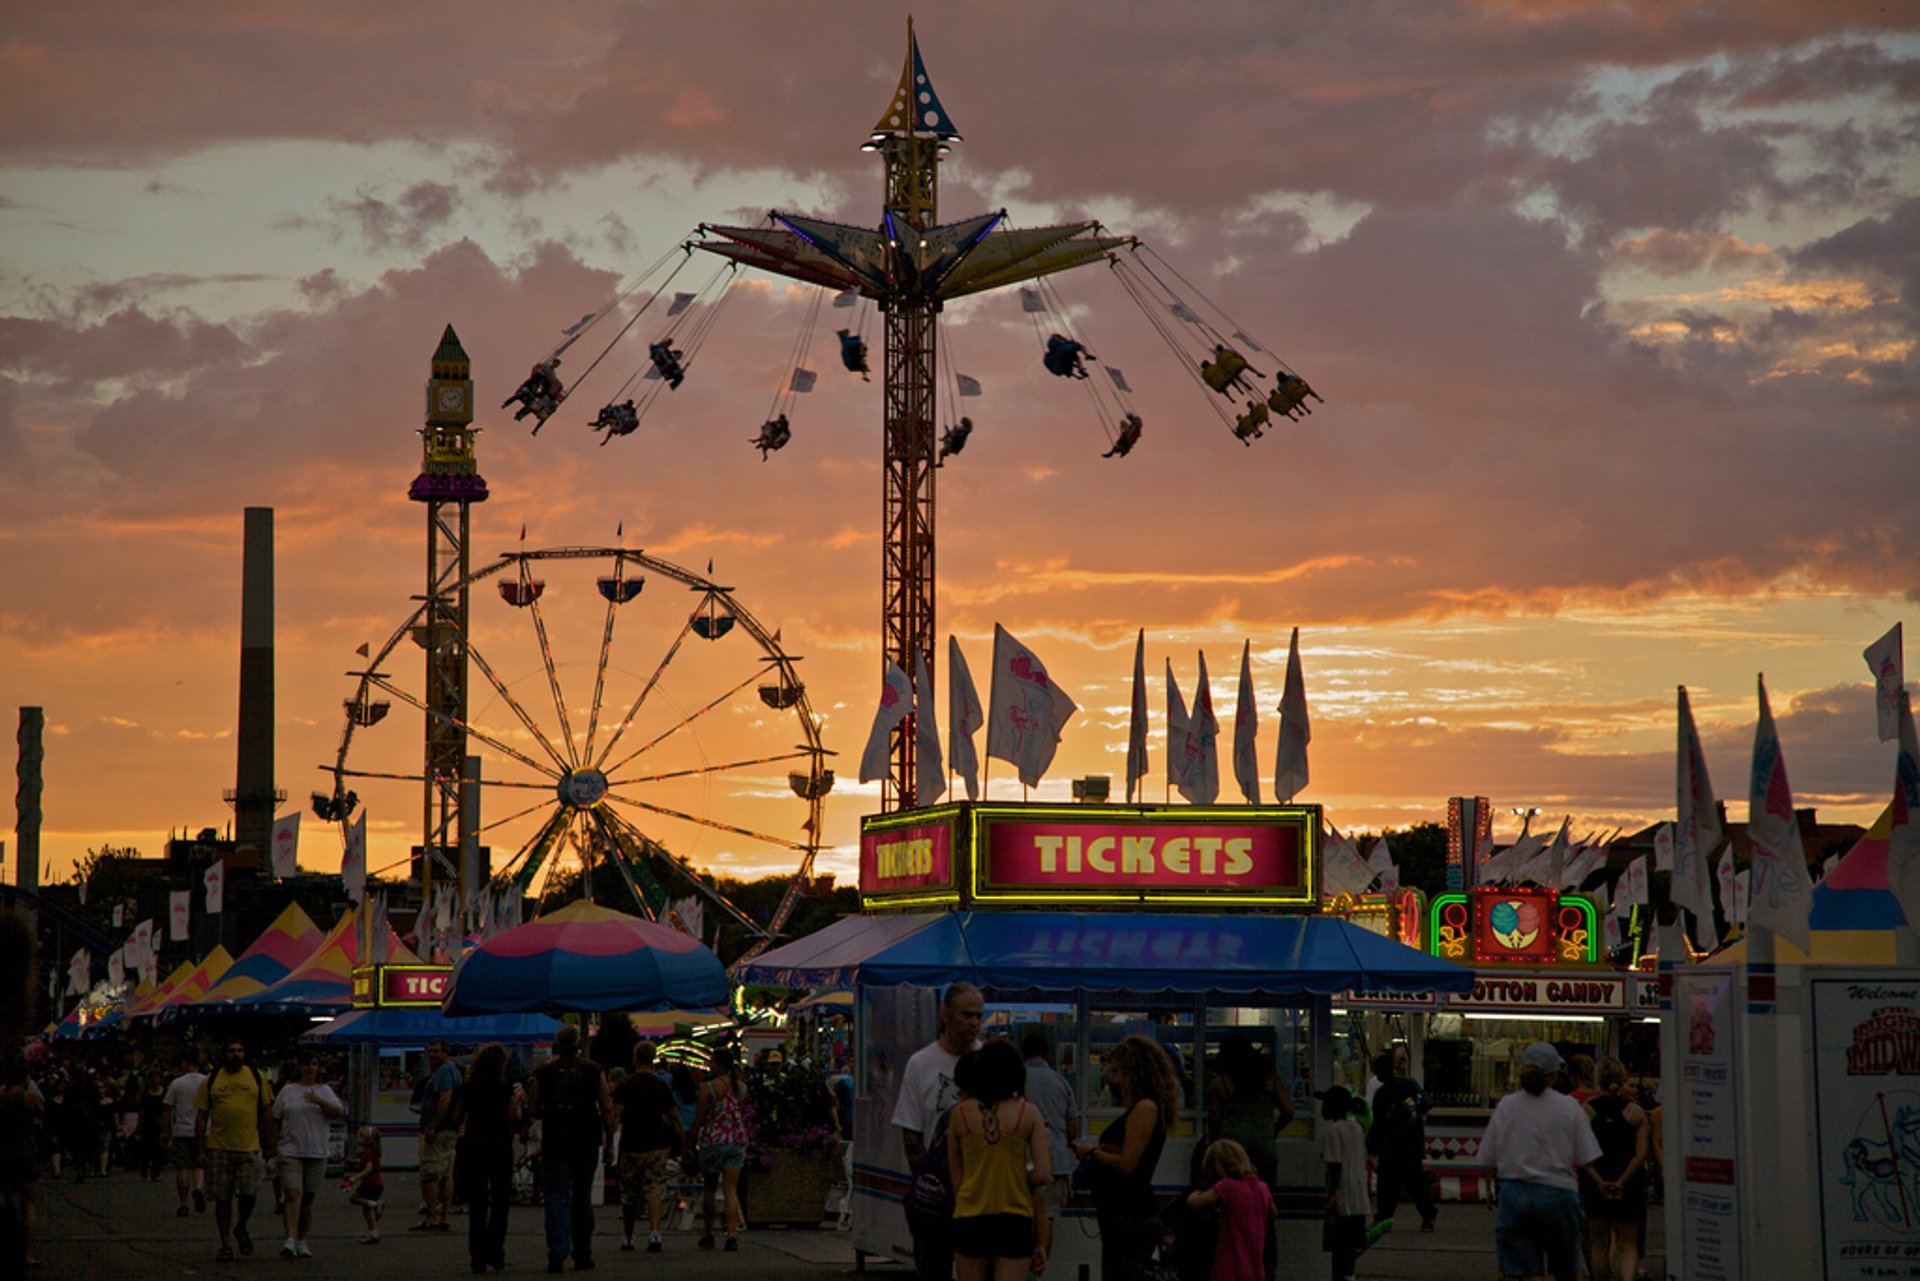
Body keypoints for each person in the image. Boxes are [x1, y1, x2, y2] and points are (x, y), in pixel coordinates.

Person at [1478, 1043, 1601, 1281]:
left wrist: (1490, 1189)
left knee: (1525, 1270)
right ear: (1554, 1075)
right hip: (1558, 1194)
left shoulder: (1507, 1106)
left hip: (1515, 1194)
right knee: (1566, 1268)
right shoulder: (1569, 1108)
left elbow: (1488, 1157)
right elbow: (1587, 1156)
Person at [893, 982, 985, 1281]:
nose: (973, 1022)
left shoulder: (989, 1061)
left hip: (983, 1190)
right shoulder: (921, 1064)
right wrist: (925, 1187)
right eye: (966, 1015)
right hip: (938, 1196)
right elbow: (911, 1133)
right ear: (946, 1015)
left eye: (978, 1016)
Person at [1074, 1035, 1178, 1281]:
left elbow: (1127, 1164)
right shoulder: (1148, 1108)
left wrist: (1091, 1153)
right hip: (1124, 1212)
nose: (1116, 1080)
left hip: (1130, 1214)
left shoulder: (1145, 1108)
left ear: (1136, 1072)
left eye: (1119, 1072)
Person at [946, 1040, 1050, 1281]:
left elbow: (956, 1180)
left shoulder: (959, 1114)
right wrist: (1018, 1176)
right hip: (1014, 1217)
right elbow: (1043, 1173)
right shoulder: (1029, 1113)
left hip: (969, 1216)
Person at [528, 1024, 613, 1273]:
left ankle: (557, 1251)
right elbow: (606, 1107)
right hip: (586, 1138)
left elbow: (533, 1107)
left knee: (556, 1195)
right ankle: (582, 1253)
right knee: (582, 1195)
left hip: (556, 1139)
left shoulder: (545, 1072)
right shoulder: (593, 1070)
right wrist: (608, 1140)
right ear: (577, 1045)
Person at [195, 1039, 276, 1263]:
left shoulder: (257, 1077)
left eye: (240, 1050)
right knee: (222, 1199)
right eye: (231, 1051)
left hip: (249, 1145)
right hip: (218, 1146)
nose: (236, 1054)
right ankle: (225, 1244)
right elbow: (201, 1116)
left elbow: (267, 1112)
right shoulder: (212, 1080)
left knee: (249, 1193)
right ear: (224, 1054)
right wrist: (200, 1149)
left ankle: (241, 1227)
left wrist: (271, 1145)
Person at [453, 1042, 521, 1274]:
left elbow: (457, 1115)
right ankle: (496, 1252)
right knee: (501, 1201)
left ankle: (477, 1256)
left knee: (478, 1203)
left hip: (474, 1144)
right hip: (500, 1144)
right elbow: (513, 1116)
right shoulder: (505, 1088)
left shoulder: (468, 1086)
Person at [271, 1049, 343, 1259]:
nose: (310, 1068)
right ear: (299, 1067)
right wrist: (272, 1148)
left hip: (316, 1150)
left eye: (313, 1064)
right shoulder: (288, 1091)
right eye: (306, 1064)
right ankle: (290, 1239)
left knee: (308, 1199)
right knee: (294, 1195)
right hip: (290, 1149)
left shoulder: (325, 1090)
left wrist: (317, 1100)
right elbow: (276, 1117)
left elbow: (338, 1111)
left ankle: (302, 1239)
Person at [1581, 1057, 1649, 1281]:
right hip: (1629, 1183)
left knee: (1599, 1243)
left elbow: (1581, 1153)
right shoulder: (1635, 1113)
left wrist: (1599, 1180)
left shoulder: (1586, 1111)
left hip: (1595, 1182)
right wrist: (1622, 1179)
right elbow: (1640, 1154)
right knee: (1628, 1242)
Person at [613, 1043, 683, 1255]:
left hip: (631, 1144)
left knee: (629, 1194)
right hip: (655, 1145)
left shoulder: (625, 1085)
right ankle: (654, 1233)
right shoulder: (661, 1086)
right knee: (654, 1189)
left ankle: (628, 1236)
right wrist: (684, 1141)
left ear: (635, 1058)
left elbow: (615, 1115)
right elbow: (674, 1117)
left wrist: (608, 1140)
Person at [1020, 1033, 1078, 1265]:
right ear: (1047, 1054)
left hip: (1021, 1162)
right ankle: (1039, 1265)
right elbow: (1072, 1128)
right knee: (1047, 1218)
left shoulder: (1015, 1079)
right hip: (1056, 1165)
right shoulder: (1060, 1081)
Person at [1207, 1035, 1294, 1189]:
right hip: (1264, 1148)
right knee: (1263, 1195)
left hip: (1232, 1151)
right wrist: (1273, 1130)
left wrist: (1213, 1146)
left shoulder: (1220, 1083)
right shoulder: (1269, 1078)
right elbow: (1288, 1111)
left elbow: (1214, 1123)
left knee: (1232, 1196)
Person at [1367, 1051, 1436, 1233]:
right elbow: (1427, 1103)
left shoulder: (1382, 1094)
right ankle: (1427, 1215)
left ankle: (1384, 1217)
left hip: (1392, 1146)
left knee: (1387, 1185)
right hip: (1410, 1144)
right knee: (1415, 1183)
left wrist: (1371, 1147)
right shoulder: (1408, 1084)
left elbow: (1378, 1124)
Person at [1188, 1138, 1274, 1281]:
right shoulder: (1262, 1188)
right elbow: (1272, 1212)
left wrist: (1193, 1194)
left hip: (1229, 1269)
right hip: (1255, 1270)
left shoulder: (1227, 1186)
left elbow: (1196, 1204)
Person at [691, 1048, 751, 1252]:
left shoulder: (708, 1088)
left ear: (720, 1065)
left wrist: (690, 1140)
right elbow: (739, 1112)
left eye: (712, 1062)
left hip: (714, 1140)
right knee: (730, 1189)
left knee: (709, 1188)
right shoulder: (742, 1088)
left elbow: (699, 1117)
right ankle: (732, 1234)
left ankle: (709, 1232)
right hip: (737, 1139)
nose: (709, 1065)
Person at [1316, 1087, 1368, 1281]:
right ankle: (1350, 1276)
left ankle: (1341, 1277)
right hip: (1358, 1198)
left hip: (1342, 1198)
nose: (1321, 1108)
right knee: (1351, 1246)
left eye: (1324, 1104)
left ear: (1332, 1106)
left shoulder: (1333, 1131)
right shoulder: (1356, 1128)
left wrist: (1331, 1194)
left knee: (1339, 1247)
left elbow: (1334, 1165)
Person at [0, 1057, 44, 1272]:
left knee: (6, 1202)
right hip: (25, 1152)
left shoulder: (1, 1099)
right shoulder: (31, 1099)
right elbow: (43, 1121)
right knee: (29, 1204)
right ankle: (28, 1253)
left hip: (4, 1153)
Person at [415, 1038, 463, 1233]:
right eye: (430, 1051)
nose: (432, 1055)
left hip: (439, 1130)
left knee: (431, 1174)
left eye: (436, 1051)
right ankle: (443, 1216)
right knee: (446, 1173)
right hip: (449, 1129)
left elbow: (444, 1098)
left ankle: (432, 1218)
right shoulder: (453, 1071)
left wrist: (432, 1125)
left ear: (446, 1053)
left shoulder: (443, 1072)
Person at [163, 1053, 207, 1218]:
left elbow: (167, 1108)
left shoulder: (177, 1083)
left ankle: (183, 1203)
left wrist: (167, 1131)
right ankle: (198, 1188)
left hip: (182, 1129)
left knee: (183, 1167)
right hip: (202, 1130)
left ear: (186, 1063)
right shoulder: (206, 1081)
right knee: (199, 1164)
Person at [343, 1124, 384, 1244]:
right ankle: (373, 1233)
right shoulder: (372, 1152)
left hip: (370, 1183)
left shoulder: (368, 1152)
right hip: (378, 1184)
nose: (357, 1139)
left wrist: (354, 1179)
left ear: (367, 1140)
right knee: (366, 1210)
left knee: (354, 1199)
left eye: (360, 1137)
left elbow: (368, 1168)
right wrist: (353, 1161)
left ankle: (376, 1204)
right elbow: (364, 1162)